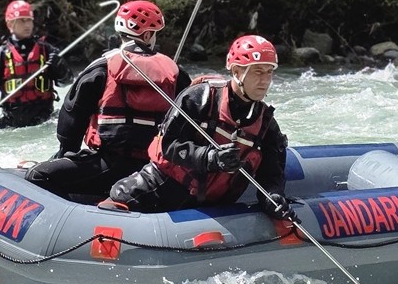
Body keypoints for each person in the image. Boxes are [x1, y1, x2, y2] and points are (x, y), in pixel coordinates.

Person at [103, 34, 293, 220]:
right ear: (236, 72)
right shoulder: (199, 98)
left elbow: (271, 174)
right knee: (117, 201)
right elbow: (167, 145)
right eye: (258, 72)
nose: (265, 80)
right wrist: (210, 157)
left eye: (269, 72)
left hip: (212, 207)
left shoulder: (267, 124)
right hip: (162, 188)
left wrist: (273, 197)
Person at [24, 0, 191, 199]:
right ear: (147, 35)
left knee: (38, 176)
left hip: (108, 165)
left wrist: (67, 152)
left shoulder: (100, 68)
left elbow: (71, 117)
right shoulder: (174, 72)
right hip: (154, 170)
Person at [0, 0, 69, 130]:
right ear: (10, 24)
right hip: (13, 122)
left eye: (28, 20)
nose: (27, 25)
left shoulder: (47, 51)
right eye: (21, 20)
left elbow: (66, 81)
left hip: (44, 118)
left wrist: (59, 66)